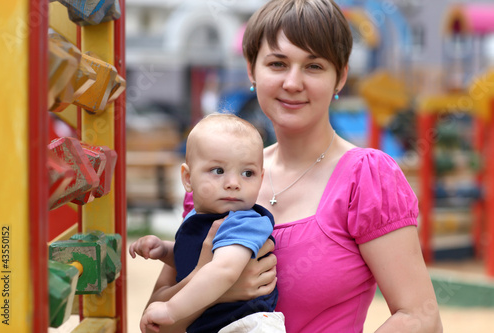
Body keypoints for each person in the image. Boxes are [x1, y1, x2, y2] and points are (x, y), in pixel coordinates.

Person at [137, 0, 443, 332]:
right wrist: (215, 289)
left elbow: (420, 317)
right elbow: (154, 325)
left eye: (314, 66)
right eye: (278, 63)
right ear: (252, 70)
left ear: (340, 77)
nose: (293, 83)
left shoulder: (365, 178)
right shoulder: (219, 177)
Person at [130, 114, 286, 333]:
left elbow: (224, 269)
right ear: (187, 178)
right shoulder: (196, 216)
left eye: (247, 173)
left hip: (248, 324)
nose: (233, 183)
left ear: (260, 179)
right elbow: (194, 256)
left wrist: (171, 310)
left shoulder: (244, 222)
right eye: (218, 171)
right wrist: (164, 250)